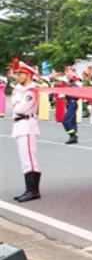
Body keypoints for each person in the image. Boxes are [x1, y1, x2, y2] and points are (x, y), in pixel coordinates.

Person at [11, 61, 42, 202]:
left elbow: (19, 108)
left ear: (28, 75)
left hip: (27, 124)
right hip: (20, 125)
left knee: (29, 158)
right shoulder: (20, 90)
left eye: (20, 74)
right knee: (25, 159)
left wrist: (17, 100)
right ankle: (29, 189)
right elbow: (15, 104)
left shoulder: (31, 91)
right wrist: (17, 96)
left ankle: (33, 190)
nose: (18, 76)